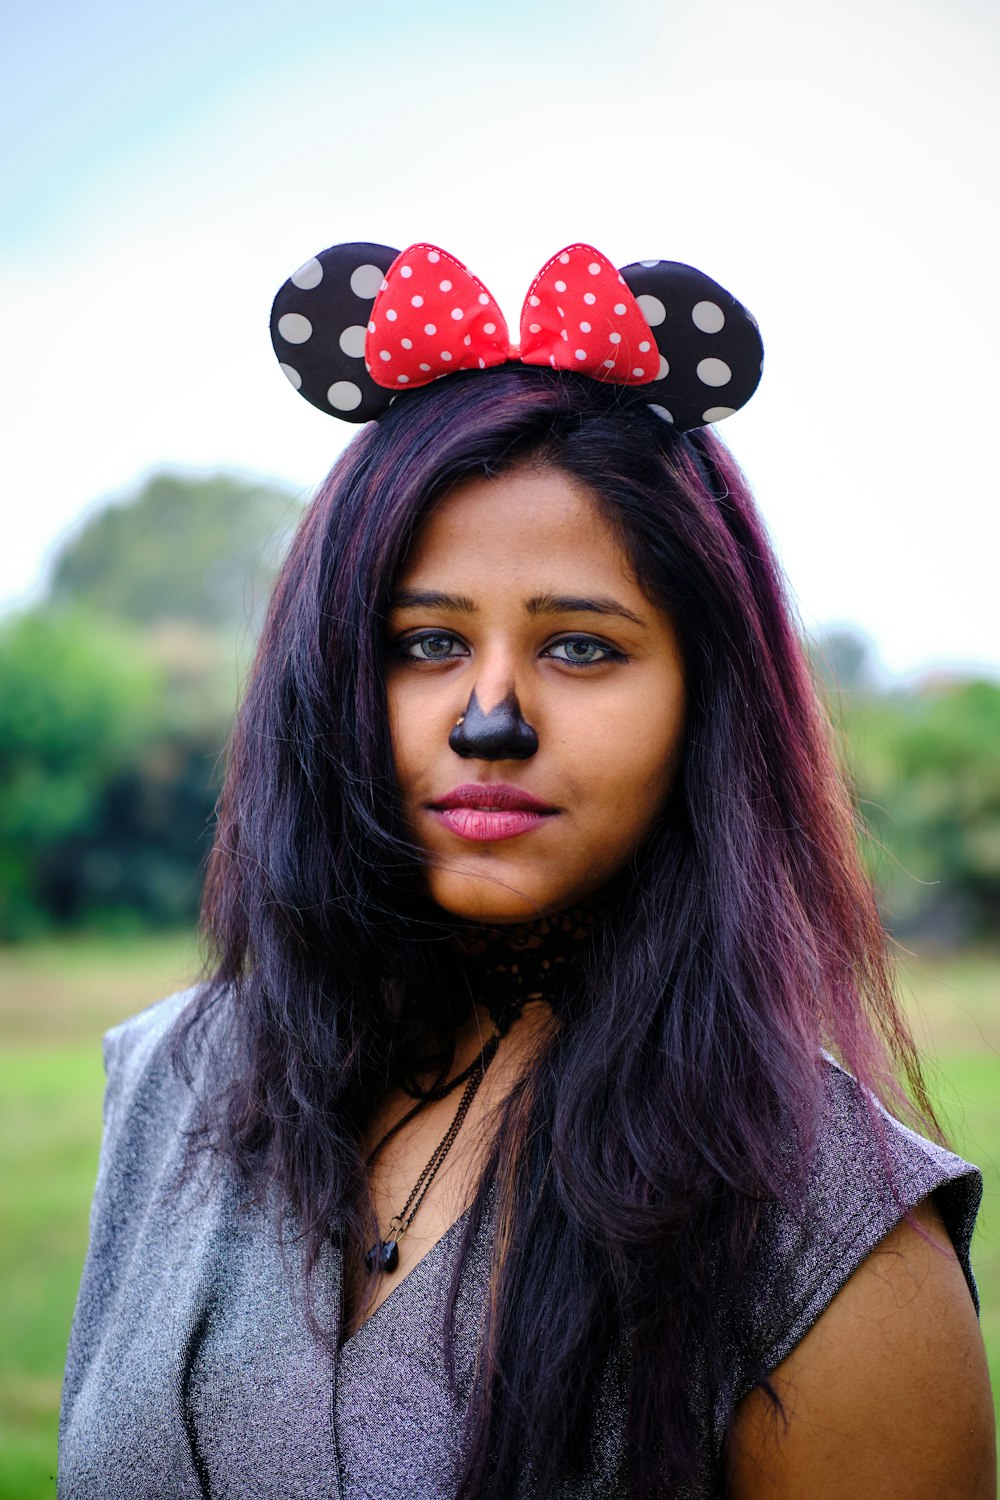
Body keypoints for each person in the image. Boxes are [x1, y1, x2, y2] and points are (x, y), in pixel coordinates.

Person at [59, 241, 995, 1499]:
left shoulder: (825, 1228)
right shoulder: (169, 1082)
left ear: (703, 703)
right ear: (325, 678)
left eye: (581, 648)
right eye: (426, 642)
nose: (487, 718)